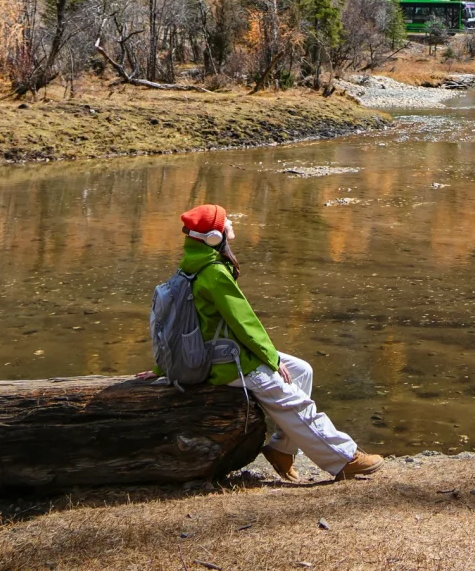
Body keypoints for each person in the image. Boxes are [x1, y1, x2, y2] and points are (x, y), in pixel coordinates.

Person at [162, 202, 382, 482]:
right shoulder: (213, 273)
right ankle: (343, 457)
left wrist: (163, 366)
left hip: (219, 352)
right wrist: (271, 359)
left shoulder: (189, 267)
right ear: (213, 238)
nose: (231, 223)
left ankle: (281, 450)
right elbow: (245, 323)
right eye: (225, 221)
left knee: (302, 371)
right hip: (226, 362)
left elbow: (172, 325)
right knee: (292, 400)